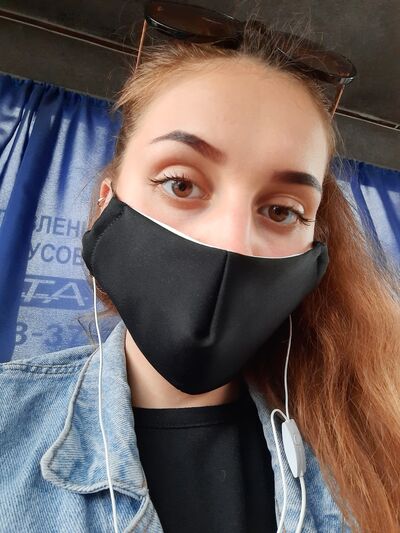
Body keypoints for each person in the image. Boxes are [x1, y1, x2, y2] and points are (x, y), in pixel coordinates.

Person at [1, 10, 399, 533]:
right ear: (106, 204)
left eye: (281, 210)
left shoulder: (374, 442)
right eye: (181, 184)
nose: (231, 240)